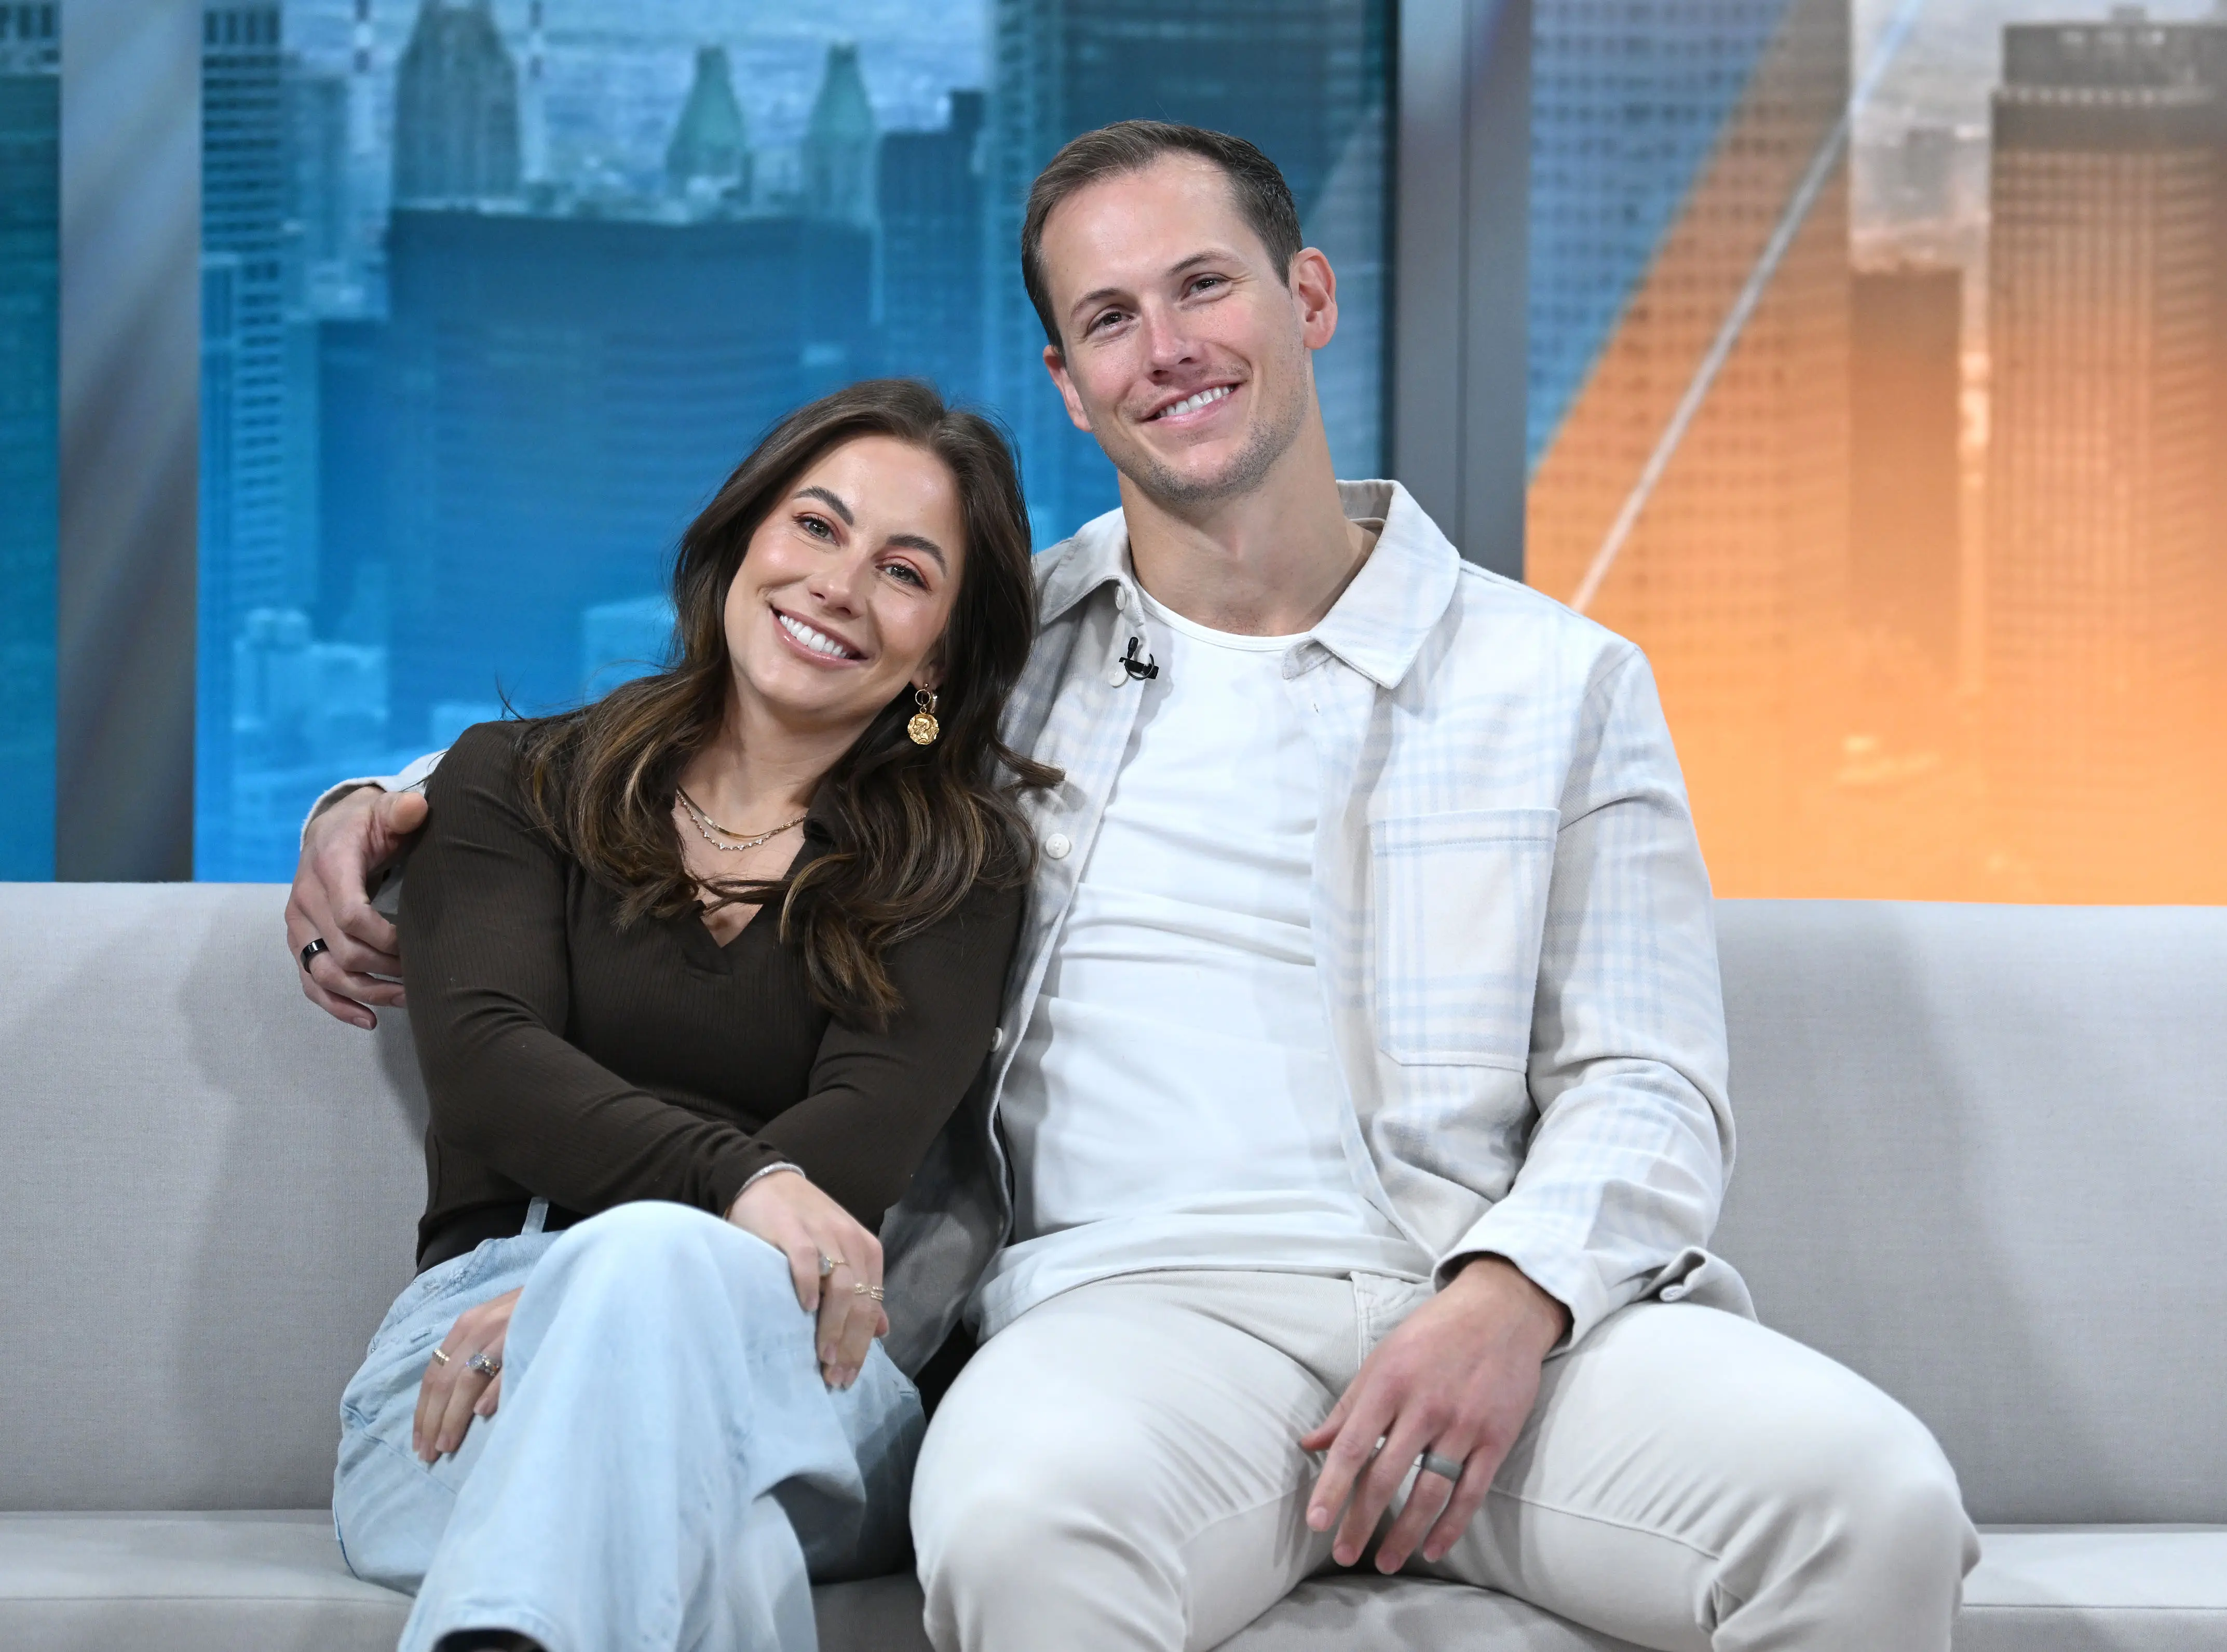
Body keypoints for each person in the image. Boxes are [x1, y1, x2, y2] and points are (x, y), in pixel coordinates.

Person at [293, 124, 1980, 1651]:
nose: (1167, 347)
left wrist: (1511, 1295)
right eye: (1111, 320)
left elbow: (1649, 1078)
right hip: (1133, 1326)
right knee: (1019, 1531)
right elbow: (725, 723)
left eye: (1202, 286)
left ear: (1306, 296)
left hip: (1521, 1323)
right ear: (1069, 382)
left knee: (1876, 1510)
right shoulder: (996, 667)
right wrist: (388, 799)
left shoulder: (1565, 681)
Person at [320, 378, 1052, 1652]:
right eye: (815, 527)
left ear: (937, 653)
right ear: (743, 540)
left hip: (800, 1360)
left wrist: (617, 1285)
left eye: (903, 571)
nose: (837, 583)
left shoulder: (962, 868)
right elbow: (490, 1067)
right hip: (470, 1357)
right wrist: (619, 1269)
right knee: (714, 1534)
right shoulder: (511, 785)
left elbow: (858, 1145)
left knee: (647, 1274)